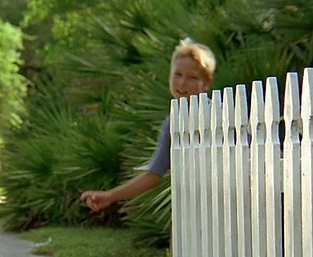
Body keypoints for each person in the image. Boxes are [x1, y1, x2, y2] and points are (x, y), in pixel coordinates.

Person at [80, 38, 215, 212]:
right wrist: (110, 196)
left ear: (206, 83)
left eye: (192, 77)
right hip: (195, 209)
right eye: (177, 74)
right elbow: (153, 175)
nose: (182, 83)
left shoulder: (223, 116)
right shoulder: (172, 123)